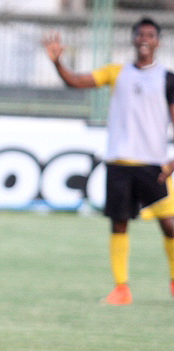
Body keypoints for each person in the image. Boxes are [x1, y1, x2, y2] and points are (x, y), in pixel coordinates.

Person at [43, 17, 174, 305]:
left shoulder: (167, 78)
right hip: (119, 162)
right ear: (133, 39)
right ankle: (121, 289)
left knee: (170, 225)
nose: (144, 40)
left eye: (150, 35)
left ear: (158, 41)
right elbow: (75, 82)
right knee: (119, 224)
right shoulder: (117, 72)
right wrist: (57, 63)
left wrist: (172, 162)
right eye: (140, 34)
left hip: (154, 164)